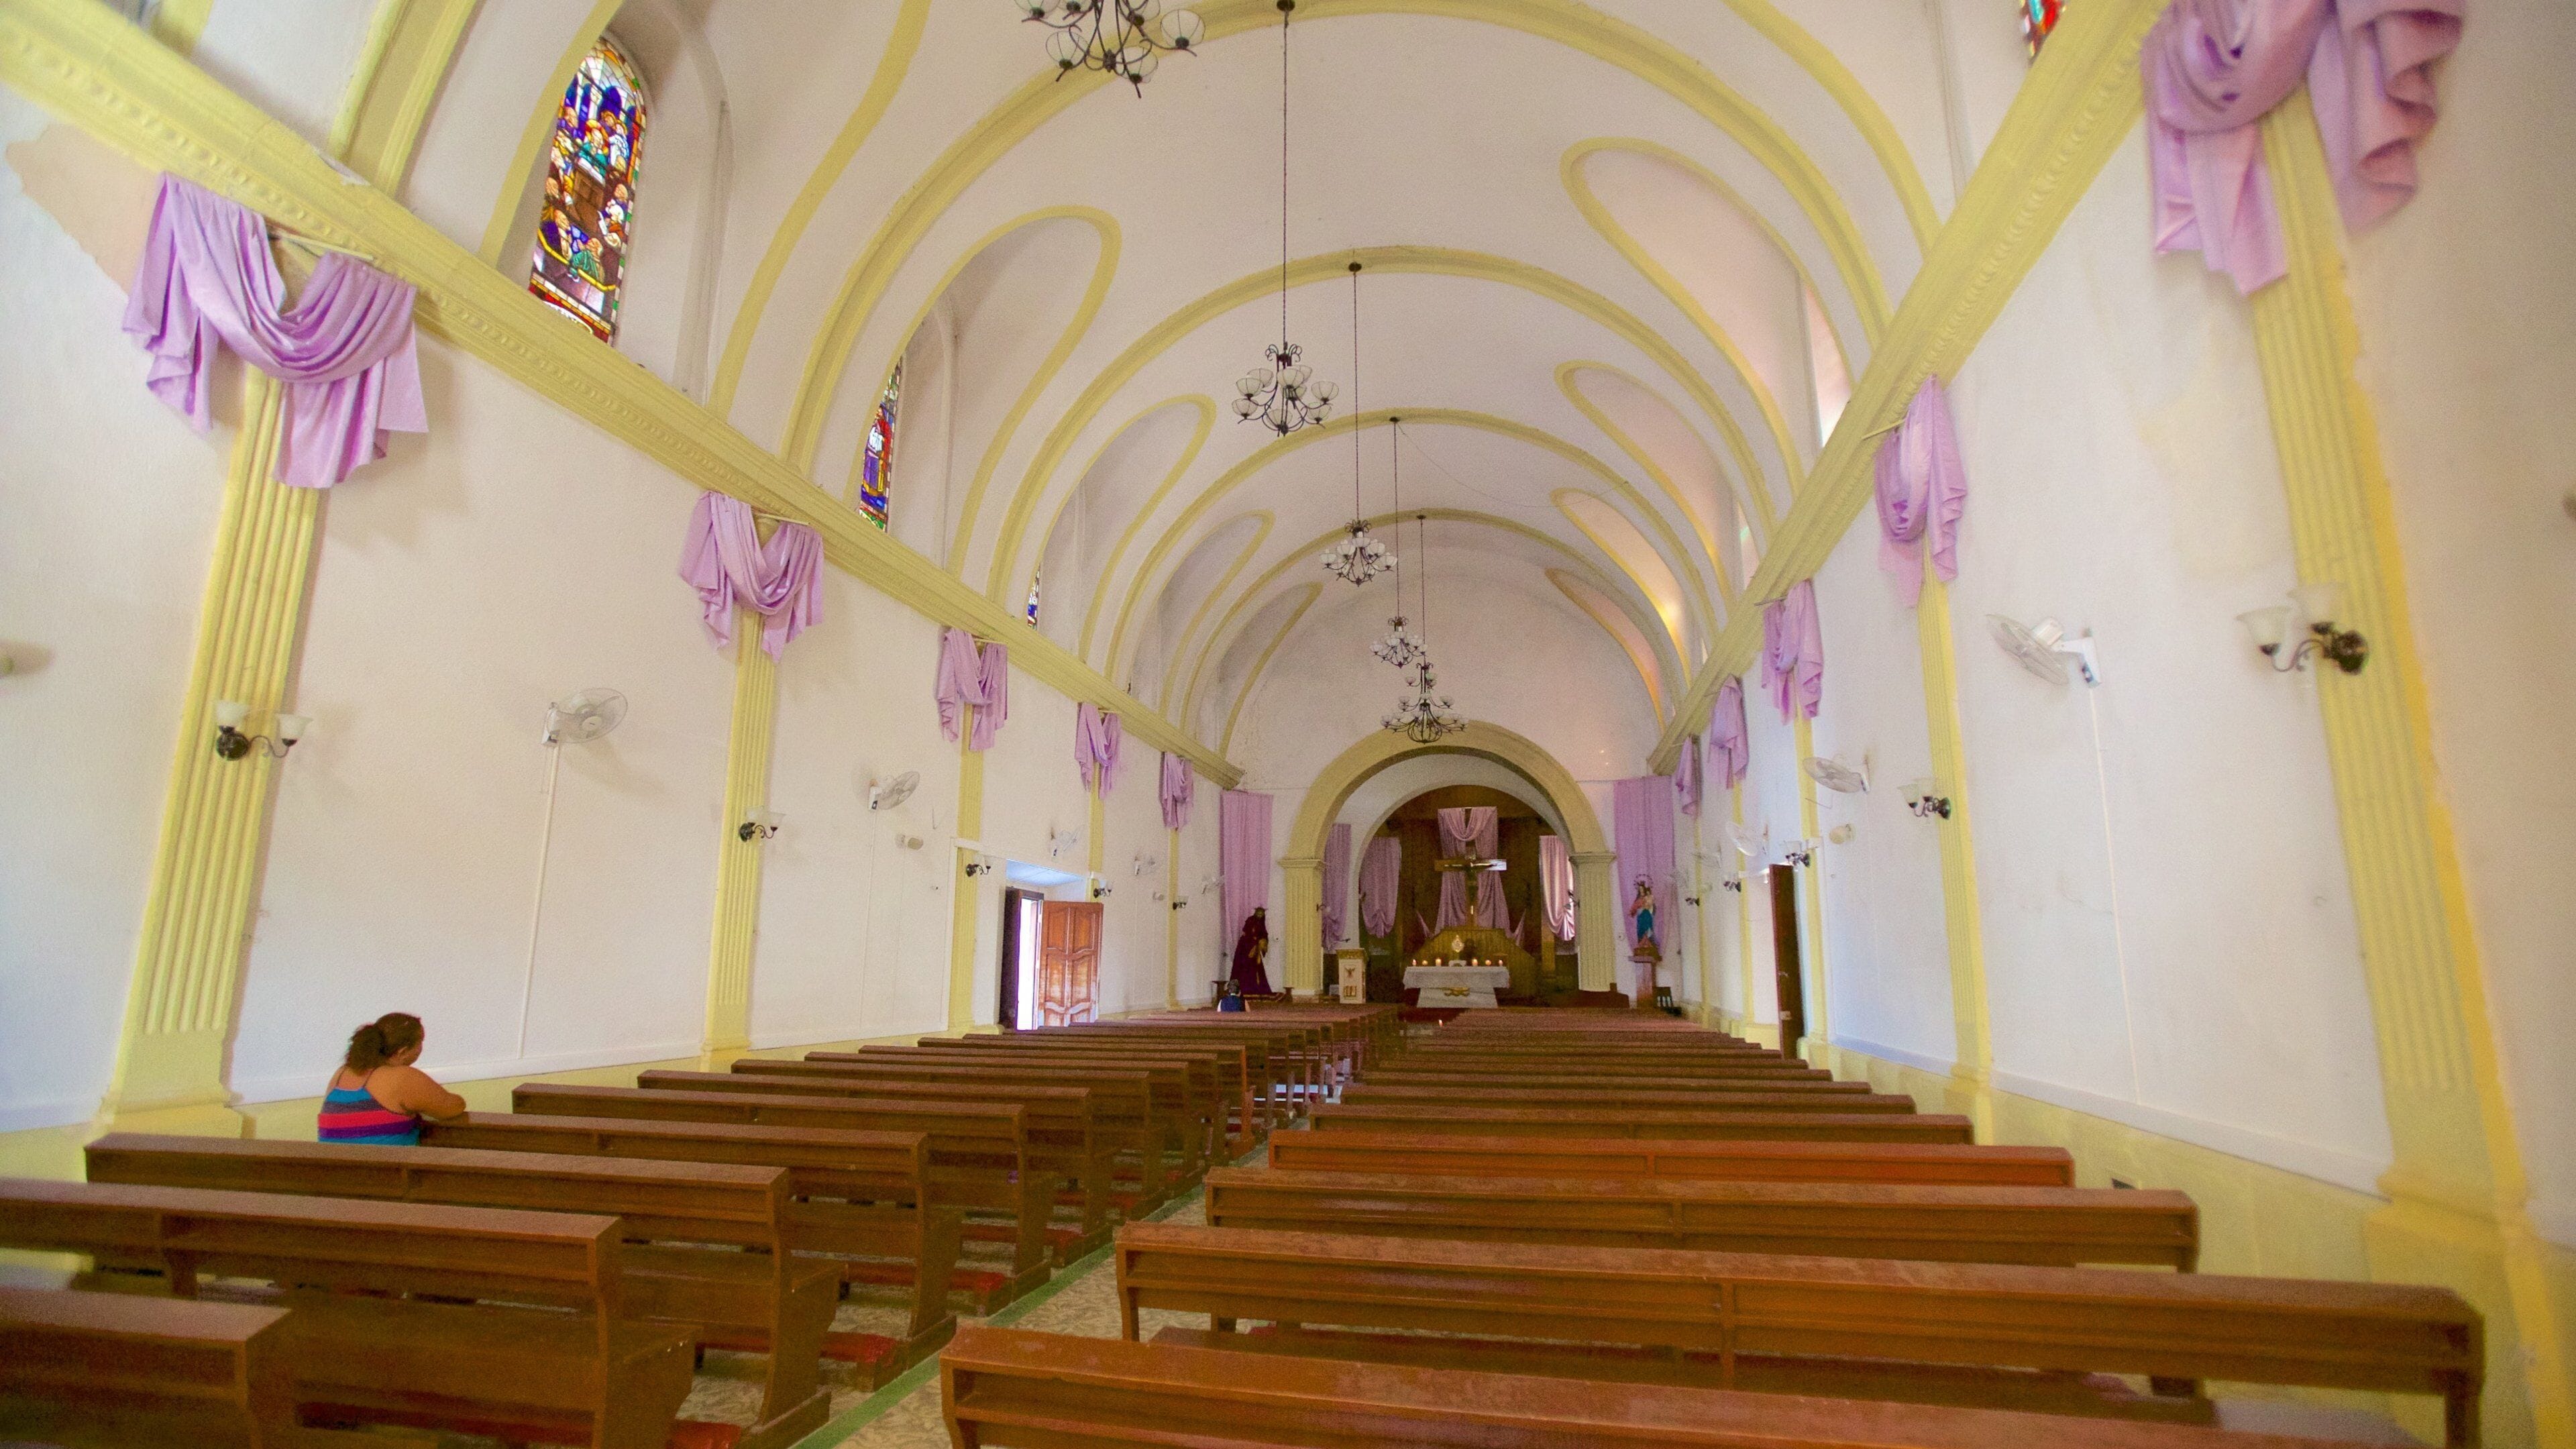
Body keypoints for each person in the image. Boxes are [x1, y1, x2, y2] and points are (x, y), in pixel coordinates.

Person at [317, 1012, 465, 1145]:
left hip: (337, 1172)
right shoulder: (403, 1077)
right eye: (421, 1042)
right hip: (385, 1173)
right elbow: (453, 1108)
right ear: (403, 1051)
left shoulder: (342, 1073)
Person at [1226, 906, 1273, 998]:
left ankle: (1256, 988)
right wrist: (1254, 941)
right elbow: (1247, 933)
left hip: (1255, 950)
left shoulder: (1262, 923)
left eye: (1261, 914)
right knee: (1244, 968)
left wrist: (1262, 942)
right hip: (1245, 949)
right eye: (1258, 913)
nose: (1260, 916)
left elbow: (1264, 934)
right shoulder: (1250, 920)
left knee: (1256, 969)